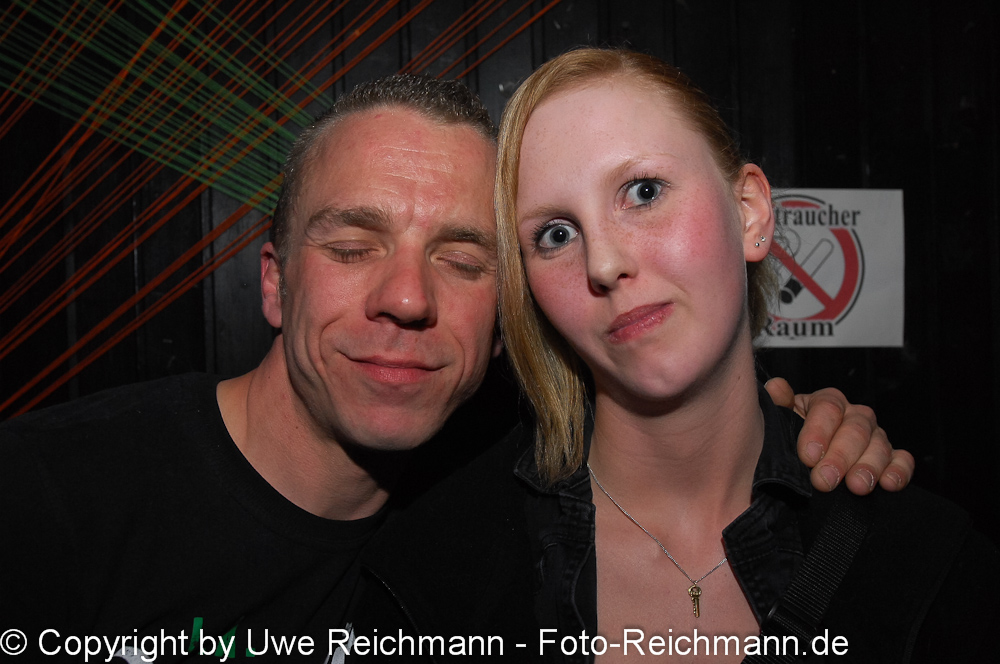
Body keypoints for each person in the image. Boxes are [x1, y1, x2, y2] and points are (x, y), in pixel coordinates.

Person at [0, 73, 911, 663]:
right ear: (273, 284)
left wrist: (797, 441)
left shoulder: (499, 504)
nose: (407, 298)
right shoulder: (49, 500)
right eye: (352, 247)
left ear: (509, 317)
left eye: (464, 261)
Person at [351, 52, 998, 662]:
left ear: (750, 213)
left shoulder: (928, 566)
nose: (604, 263)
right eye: (556, 234)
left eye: (643, 192)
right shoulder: (434, 579)